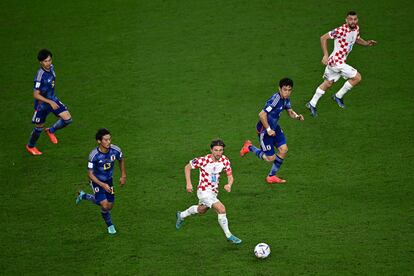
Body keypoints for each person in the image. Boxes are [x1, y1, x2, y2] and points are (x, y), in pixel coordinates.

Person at [306, 11, 377, 117]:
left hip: (339, 62)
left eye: (355, 19)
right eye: (350, 19)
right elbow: (323, 38)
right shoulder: (341, 30)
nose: (353, 21)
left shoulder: (356, 28)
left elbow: (356, 39)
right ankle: (338, 96)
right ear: (346, 20)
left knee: (328, 83)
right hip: (336, 62)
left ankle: (311, 103)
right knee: (357, 77)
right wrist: (325, 55)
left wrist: (366, 43)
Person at [175, 139, 242, 244]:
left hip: (213, 192)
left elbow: (230, 176)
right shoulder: (203, 160)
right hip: (203, 191)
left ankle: (181, 215)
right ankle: (229, 235)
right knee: (221, 209)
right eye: (216, 150)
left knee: (201, 210)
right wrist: (188, 183)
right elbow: (187, 167)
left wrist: (229, 184)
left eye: (221, 150)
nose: (218, 153)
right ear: (211, 150)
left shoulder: (225, 160)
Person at [240, 78, 304, 183]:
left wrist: (297, 116)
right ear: (279, 89)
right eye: (285, 90)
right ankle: (249, 147)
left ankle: (271, 176)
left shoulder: (286, 99)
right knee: (270, 159)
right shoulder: (275, 100)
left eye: (289, 90)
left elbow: (290, 111)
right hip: (264, 131)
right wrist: (268, 129)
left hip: (275, 128)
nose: (287, 92)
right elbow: (262, 114)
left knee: (284, 150)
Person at [76, 128, 126, 234]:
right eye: (106, 140)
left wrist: (123, 175)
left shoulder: (115, 150)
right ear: (99, 141)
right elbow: (90, 174)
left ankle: (84, 196)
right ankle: (110, 225)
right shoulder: (93, 155)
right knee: (104, 205)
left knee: (109, 206)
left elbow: (121, 160)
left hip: (109, 180)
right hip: (96, 181)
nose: (109, 142)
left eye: (109, 139)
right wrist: (102, 184)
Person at [26, 49, 73, 155]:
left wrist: (52, 100)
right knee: (38, 128)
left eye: (50, 60)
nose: (48, 63)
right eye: (46, 61)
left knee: (68, 119)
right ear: (41, 62)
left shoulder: (52, 68)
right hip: (42, 105)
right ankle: (30, 146)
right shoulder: (40, 75)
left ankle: (51, 130)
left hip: (53, 99)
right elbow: (36, 94)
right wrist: (49, 102)